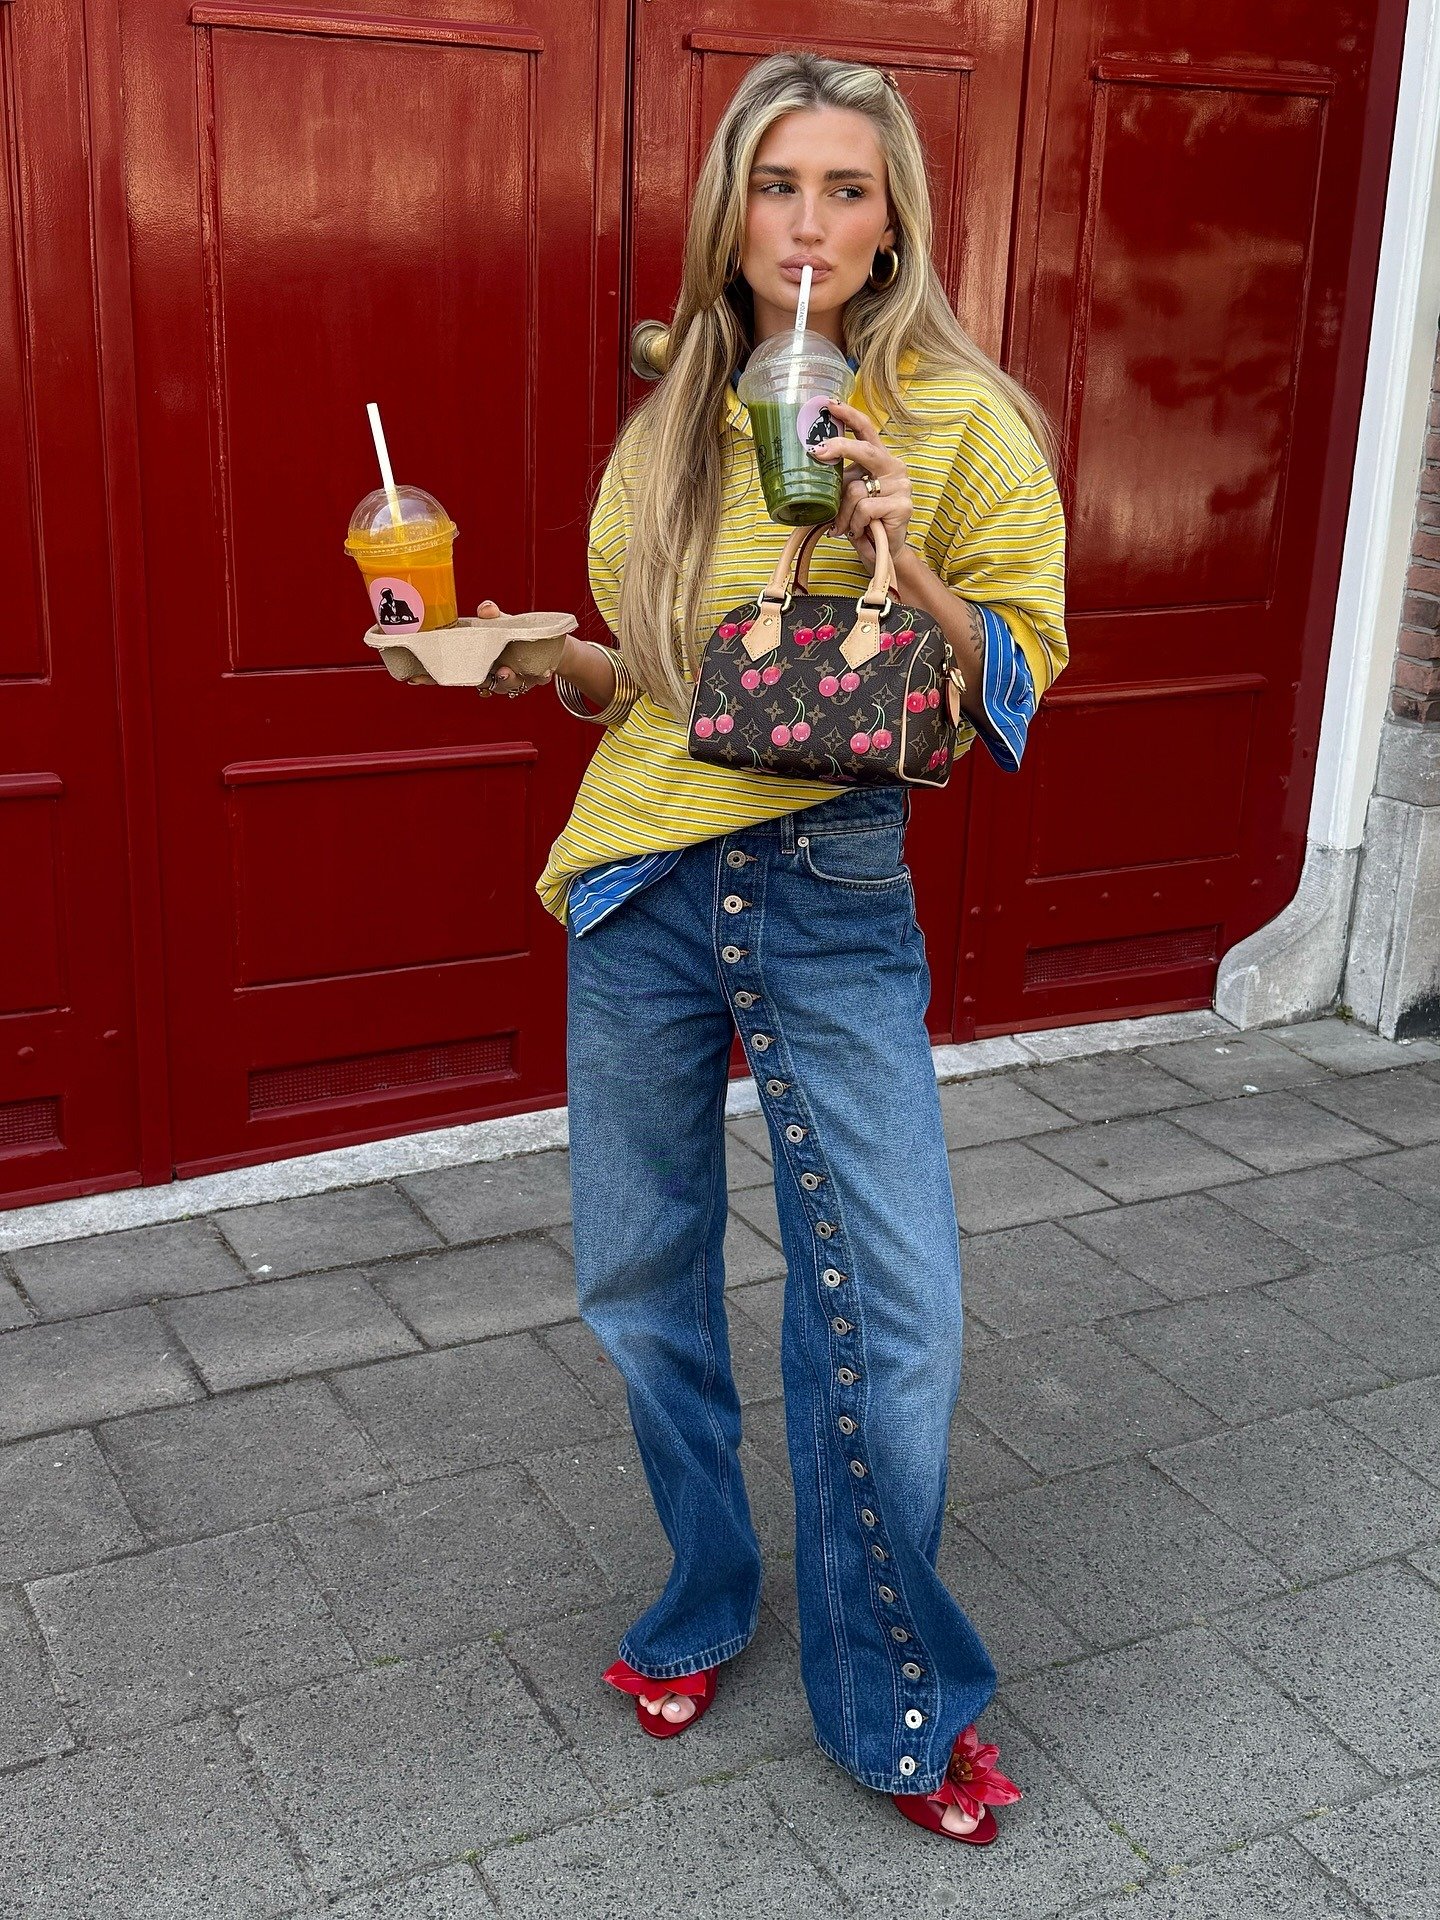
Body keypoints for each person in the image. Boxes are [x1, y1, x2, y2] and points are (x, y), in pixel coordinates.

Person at [477, 50, 1065, 1844]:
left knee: (895, 1313)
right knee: (639, 1282)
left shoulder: (960, 419)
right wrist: (537, 661)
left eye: (846, 189)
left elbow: (1018, 690)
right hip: (641, 887)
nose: (808, 224)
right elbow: (650, 682)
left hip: (830, 885)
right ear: (732, 214)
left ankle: (893, 1690)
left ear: (894, 221)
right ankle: (705, 1587)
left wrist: (908, 548)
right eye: (777, 185)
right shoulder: (672, 419)